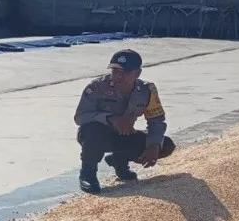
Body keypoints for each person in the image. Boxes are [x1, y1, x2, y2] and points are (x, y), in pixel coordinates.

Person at [74, 49, 176, 193]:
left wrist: (154, 145)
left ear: (137, 73)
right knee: (92, 130)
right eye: (115, 71)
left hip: (124, 135)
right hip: (96, 137)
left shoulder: (147, 91)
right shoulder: (97, 87)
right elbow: (80, 117)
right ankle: (88, 173)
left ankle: (119, 161)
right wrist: (111, 119)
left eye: (124, 72)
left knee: (165, 145)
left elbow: (157, 121)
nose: (118, 76)